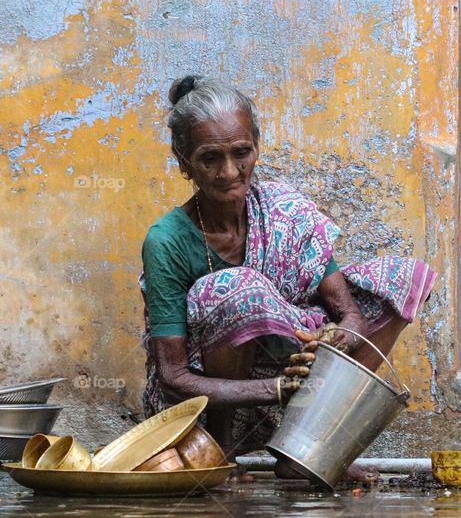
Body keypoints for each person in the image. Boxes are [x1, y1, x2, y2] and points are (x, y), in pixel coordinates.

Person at [139, 75, 436, 480]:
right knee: (236, 290)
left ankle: (308, 449)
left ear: (257, 148)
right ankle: (221, 454)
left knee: (402, 279)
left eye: (241, 152)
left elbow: (349, 313)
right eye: (210, 158)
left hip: (295, 375)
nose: (229, 172)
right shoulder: (167, 240)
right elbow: (174, 377)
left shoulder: (284, 209)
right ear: (183, 159)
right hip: (209, 405)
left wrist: (340, 335)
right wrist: (277, 389)